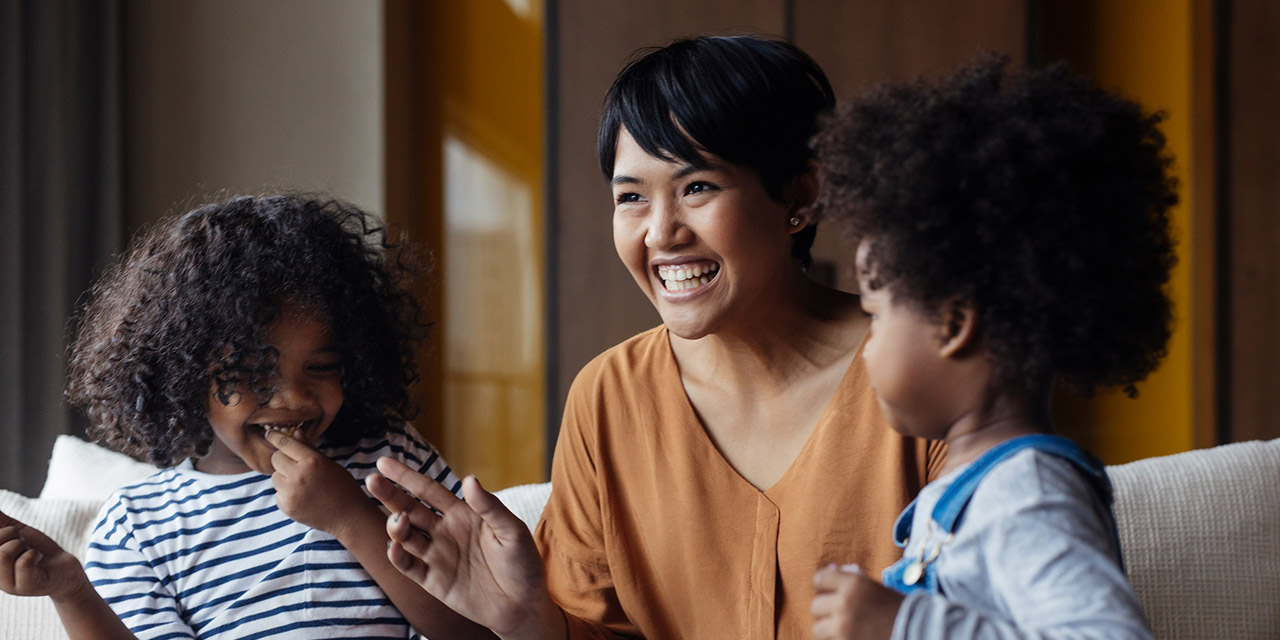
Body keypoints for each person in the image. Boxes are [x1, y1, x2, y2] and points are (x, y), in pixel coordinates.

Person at [363, 35, 945, 639]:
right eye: (632, 198)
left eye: (698, 187)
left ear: (799, 195)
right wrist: (530, 619)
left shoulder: (930, 368)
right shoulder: (608, 398)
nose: (660, 233)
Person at [0, 195, 489, 639]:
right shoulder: (139, 525)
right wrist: (71, 591)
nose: (295, 398)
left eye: (322, 367)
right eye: (253, 371)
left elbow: (477, 630)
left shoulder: (391, 461)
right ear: (186, 372)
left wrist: (349, 515)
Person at [808, 57, 1173, 639]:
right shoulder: (970, 487)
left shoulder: (1025, 492)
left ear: (953, 323)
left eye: (875, 316)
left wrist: (907, 623)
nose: (866, 348)